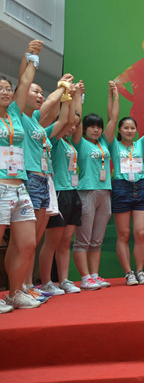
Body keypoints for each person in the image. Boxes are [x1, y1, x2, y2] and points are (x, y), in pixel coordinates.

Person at [19, 68, 74, 300]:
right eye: (36, 91)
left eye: (42, 92)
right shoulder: (20, 117)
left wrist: (68, 97)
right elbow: (51, 103)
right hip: (30, 178)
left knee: (34, 240)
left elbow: (64, 120)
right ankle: (21, 286)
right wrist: (61, 87)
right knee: (26, 240)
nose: (41, 96)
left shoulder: (38, 127)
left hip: (44, 180)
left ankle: (28, 284)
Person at [0, 41, 42, 311]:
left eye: (7, 88)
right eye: (0, 89)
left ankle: (15, 293)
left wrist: (32, 55)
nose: (5, 92)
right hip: (0, 186)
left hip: (20, 186)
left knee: (27, 243)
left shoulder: (14, 113)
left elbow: (25, 81)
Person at [109, 84, 144, 286]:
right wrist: (115, 97)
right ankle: (128, 273)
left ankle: (140, 271)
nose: (130, 130)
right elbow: (112, 118)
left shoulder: (140, 144)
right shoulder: (113, 144)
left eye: (132, 128)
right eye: (126, 128)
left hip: (140, 188)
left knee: (140, 232)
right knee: (124, 234)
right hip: (121, 188)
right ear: (120, 130)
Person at [37, 80, 83, 295]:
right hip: (59, 192)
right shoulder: (53, 139)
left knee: (66, 242)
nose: (73, 126)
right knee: (52, 243)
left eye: (76, 125)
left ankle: (63, 280)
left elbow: (72, 120)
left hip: (72, 193)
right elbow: (66, 119)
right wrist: (69, 97)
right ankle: (46, 281)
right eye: (71, 123)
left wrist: (77, 97)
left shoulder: (69, 144)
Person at [73, 81, 117, 290]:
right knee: (83, 238)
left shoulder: (104, 143)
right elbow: (77, 119)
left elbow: (113, 119)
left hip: (105, 193)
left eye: (98, 126)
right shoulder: (79, 142)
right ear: (84, 128)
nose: (96, 129)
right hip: (86, 192)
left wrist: (113, 96)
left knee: (97, 239)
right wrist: (78, 96)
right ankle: (84, 278)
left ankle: (95, 275)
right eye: (92, 126)